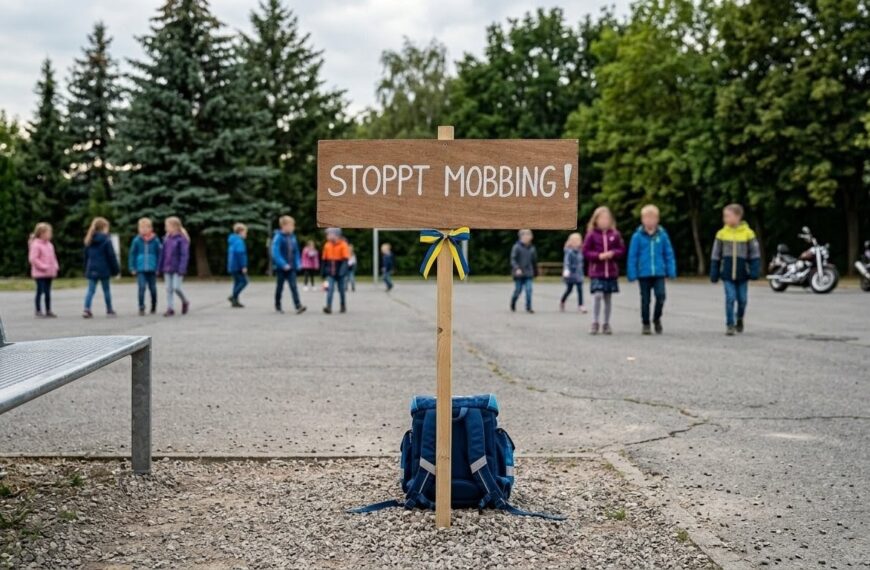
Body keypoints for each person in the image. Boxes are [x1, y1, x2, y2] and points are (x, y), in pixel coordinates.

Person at [710, 203, 761, 335]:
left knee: (742, 300)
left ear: (738, 216)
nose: (725, 219)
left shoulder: (748, 234)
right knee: (730, 298)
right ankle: (730, 324)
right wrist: (714, 272)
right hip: (727, 274)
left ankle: (739, 318)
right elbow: (716, 254)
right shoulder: (721, 234)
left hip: (742, 274)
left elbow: (754, 253)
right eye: (724, 216)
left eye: (727, 216)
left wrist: (754, 270)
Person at [626, 205, 677, 335]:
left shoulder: (662, 235)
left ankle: (656, 318)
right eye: (647, 218)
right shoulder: (637, 236)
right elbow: (632, 256)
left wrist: (671, 270)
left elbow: (668, 253)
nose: (650, 221)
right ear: (642, 220)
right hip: (644, 273)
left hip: (659, 272)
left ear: (657, 219)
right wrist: (632, 273)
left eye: (652, 218)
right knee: (645, 299)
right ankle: (646, 322)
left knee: (661, 296)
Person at [583, 206, 625, 335]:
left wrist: (612, 253)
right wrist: (598, 256)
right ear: (596, 220)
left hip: (611, 272)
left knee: (608, 298)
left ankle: (606, 323)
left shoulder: (615, 235)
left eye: (607, 218)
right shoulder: (591, 235)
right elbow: (585, 251)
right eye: (602, 218)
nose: (604, 221)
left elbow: (622, 250)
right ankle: (595, 321)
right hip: (597, 271)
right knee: (597, 295)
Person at [82, 217, 120, 318]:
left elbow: (86, 257)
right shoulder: (106, 240)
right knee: (106, 290)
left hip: (92, 268)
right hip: (104, 269)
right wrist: (116, 270)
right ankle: (109, 309)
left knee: (90, 290)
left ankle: (86, 309)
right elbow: (111, 256)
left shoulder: (89, 240)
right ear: (104, 228)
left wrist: (85, 269)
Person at [272, 215, 306, 314]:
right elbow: (275, 253)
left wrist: (298, 263)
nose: (293, 227)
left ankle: (298, 305)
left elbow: (296, 252)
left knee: (293, 286)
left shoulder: (292, 237)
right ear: (284, 226)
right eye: (291, 225)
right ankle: (278, 305)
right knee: (280, 287)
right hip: (281, 268)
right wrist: (283, 264)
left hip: (291, 268)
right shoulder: (278, 237)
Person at [128, 217, 162, 316]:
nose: (143, 230)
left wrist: (158, 268)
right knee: (141, 287)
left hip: (152, 268)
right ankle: (141, 307)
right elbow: (132, 254)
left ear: (150, 229)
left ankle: (154, 305)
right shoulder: (136, 240)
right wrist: (132, 267)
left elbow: (160, 254)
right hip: (140, 269)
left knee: (153, 288)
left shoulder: (155, 240)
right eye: (141, 228)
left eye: (145, 228)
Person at [158, 216, 191, 317]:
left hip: (177, 268)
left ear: (174, 227)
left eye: (167, 226)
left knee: (176, 287)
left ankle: (185, 301)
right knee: (169, 289)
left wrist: (182, 268)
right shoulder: (166, 239)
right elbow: (162, 255)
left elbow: (184, 255)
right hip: (167, 268)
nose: (165, 228)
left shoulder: (182, 240)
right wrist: (159, 268)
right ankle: (170, 308)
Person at [28, 222, 59, 318]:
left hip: (49, 273)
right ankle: (38, 310)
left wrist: (55, 266)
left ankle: (48, 310)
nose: (50, 235)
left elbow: (53, 257)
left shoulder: (50, 245)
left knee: (48, 292)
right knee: (40, 291)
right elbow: (33, 259)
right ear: (42, 233)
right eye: (48, 233)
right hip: (40, 273)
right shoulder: (36, 245)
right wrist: (43, 266)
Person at [321, 228, 349, 314]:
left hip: (340, 272)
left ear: (336, 235)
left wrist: (342, 272)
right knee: (330, 289)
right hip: (331, 272)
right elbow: (324, 260)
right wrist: (323, 271)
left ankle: (343, 305)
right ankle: (328, 307)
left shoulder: (343, 244)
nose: (327, 236)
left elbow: (345, 260)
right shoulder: (327, 245)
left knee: (341, 290)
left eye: (329, 234)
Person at [510, 229, 538, 313]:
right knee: (518, 290)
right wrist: (517, 268)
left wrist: (536, 271)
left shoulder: (532, 248)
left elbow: (534, 261)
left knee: (529, 290)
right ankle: (513, 302)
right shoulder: (516, 247)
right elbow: (513, 259)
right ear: (521, 237)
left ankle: (528, 307)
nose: (527, 237)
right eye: (525, 235)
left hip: (529, 273)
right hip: (519, 273)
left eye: (529, 235)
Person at [560, 232, 586, 313]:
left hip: (579, 274)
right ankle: (562, 301)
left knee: (580, 289)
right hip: (570, 274)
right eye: (574, 241)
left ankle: (580, 305)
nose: (576, 242)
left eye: (578, 240)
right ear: (570, 242)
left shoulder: (580, 251)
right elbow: (566, 262)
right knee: (569, 290)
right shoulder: (569, 252)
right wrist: (566, 270)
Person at [227, 223, 249, 308]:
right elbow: (241, 254)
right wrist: (243, 266)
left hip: (232, 265)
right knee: (244, 281)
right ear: (240, 232)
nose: (246, 234)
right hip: (238, 266)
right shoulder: (239, 242)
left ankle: (235, 301)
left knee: (237, 283)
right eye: (245, 232)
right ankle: (233, 296)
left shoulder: (233, 240)